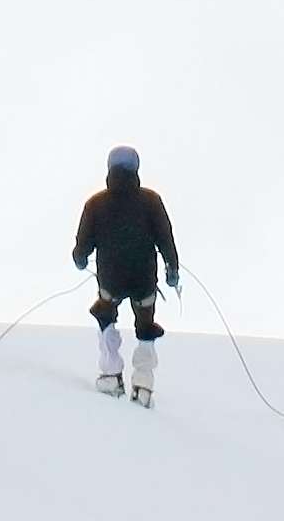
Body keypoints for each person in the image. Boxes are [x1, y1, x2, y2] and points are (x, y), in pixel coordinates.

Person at [70, 144, 181, 404]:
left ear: (109, 169)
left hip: (111, 278)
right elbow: (166, 239)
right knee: (145, 326)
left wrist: (80, 258)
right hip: (144, 278)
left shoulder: (95, 203)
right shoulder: (151, 200)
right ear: (136, 170)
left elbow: (82, 247)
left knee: (105, 314)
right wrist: (172, 270)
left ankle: (111, 375)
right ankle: (143, 384)